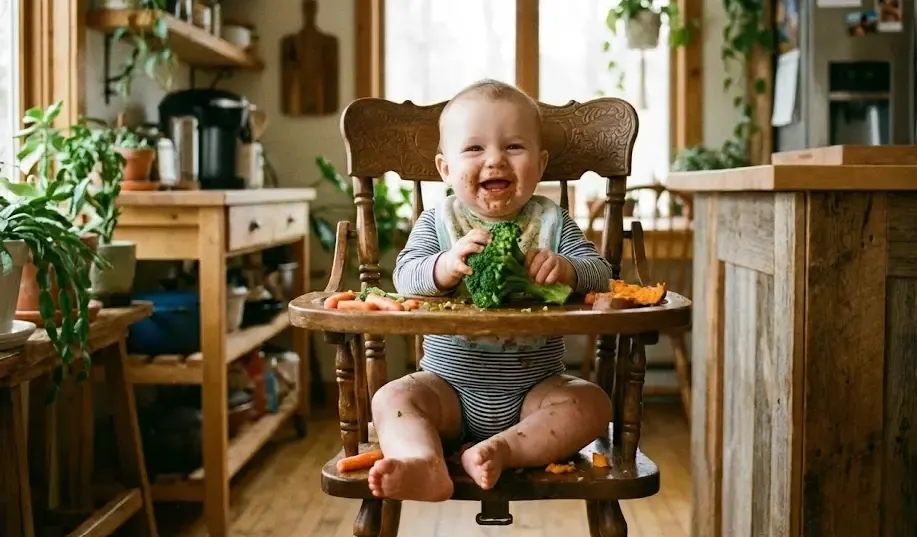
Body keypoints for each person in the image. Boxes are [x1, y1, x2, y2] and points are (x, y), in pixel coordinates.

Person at [367, 79, 615, 502]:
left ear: (540, 164)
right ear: (446, 169)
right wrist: (443, 266)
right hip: (447, 388)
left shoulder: (552, 223)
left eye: (514, 147)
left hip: (536, 394)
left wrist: (570, 270)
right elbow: (404, 276)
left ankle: (501, 450)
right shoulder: (439, 221)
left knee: (593, 404)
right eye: (475, 149)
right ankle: (423, 463)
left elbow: (602, 274)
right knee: (393, 396)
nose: (495, 159)